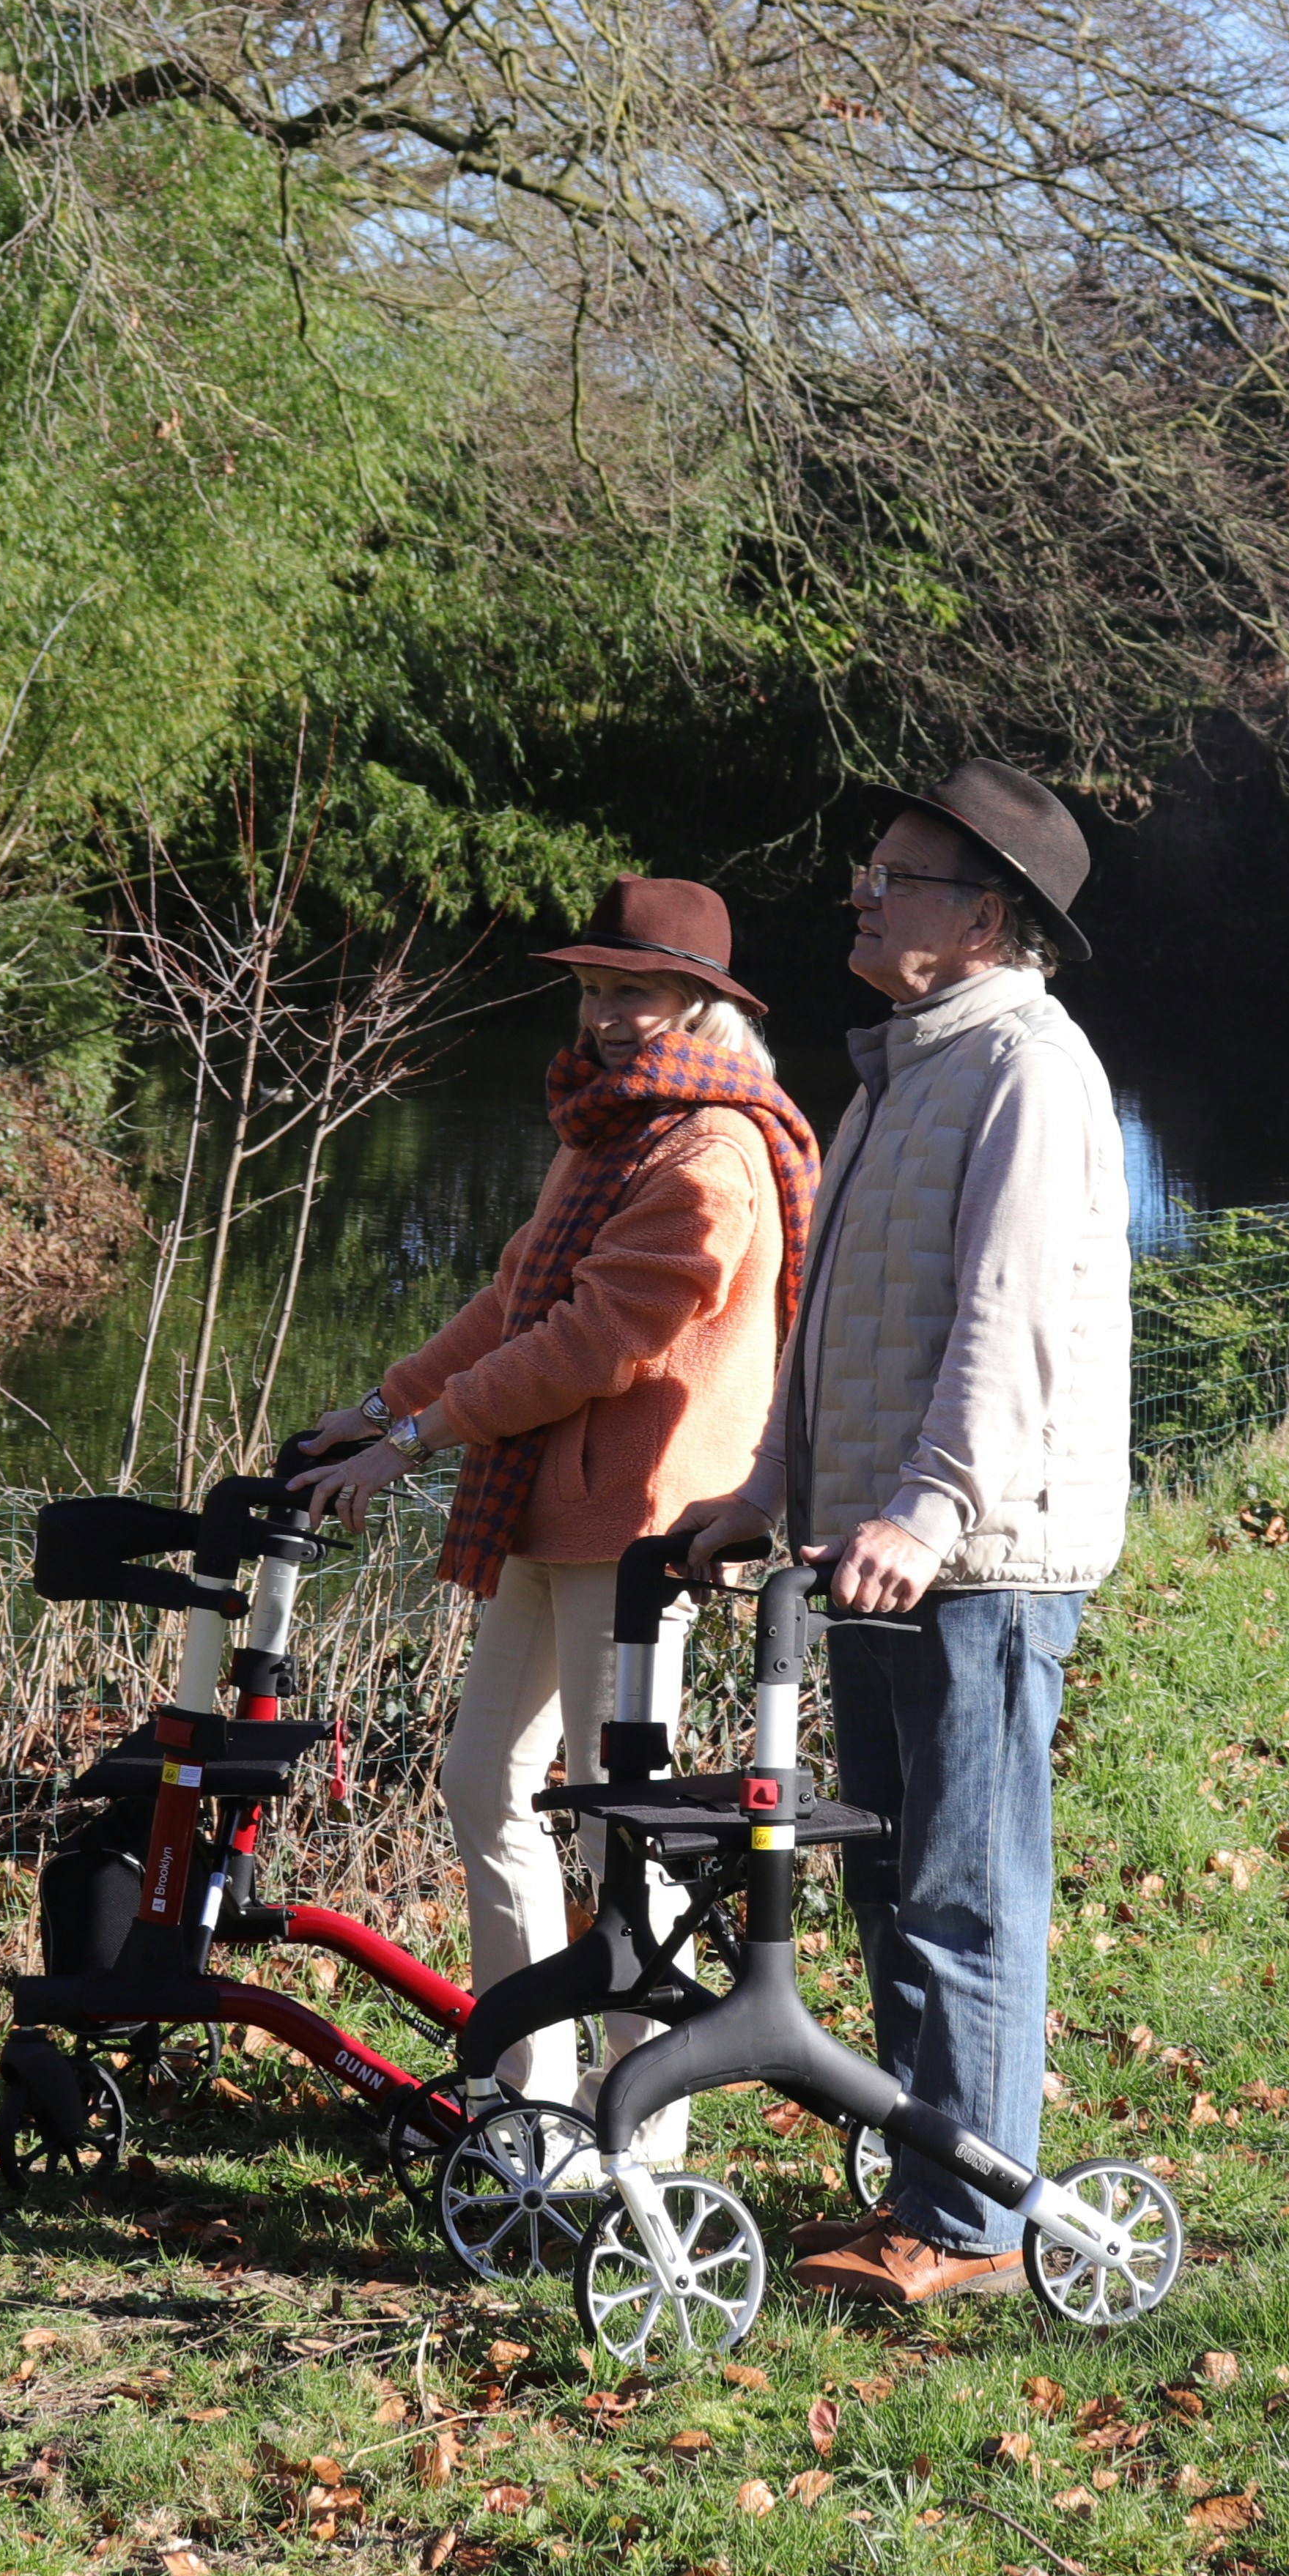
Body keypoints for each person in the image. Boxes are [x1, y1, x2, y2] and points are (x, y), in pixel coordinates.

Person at [675, 758, 1131, 2306]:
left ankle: (972, 2224)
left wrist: (932, 1509)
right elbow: (836, 1324)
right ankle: (934, 2170)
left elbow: (1010, 1324)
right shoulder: (899, 1068)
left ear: (988, 915)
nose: (863, 896)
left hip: (977, 1558)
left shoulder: (1028, 1069)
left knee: (963, 1881)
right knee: (885, 1878)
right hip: (874, 1545)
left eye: (897, 878)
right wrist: (769, 1494)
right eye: (868, 872)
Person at [289, 878, 819, 2146]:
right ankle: (526, 2095)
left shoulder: (712, 1150)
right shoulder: (609, 1132)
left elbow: (596, 1344)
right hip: (543, 1510)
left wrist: (414, 1442)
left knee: (616, 1827)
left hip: (640, 1536)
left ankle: (645, 2118)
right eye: (593, 988)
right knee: (486, 1783)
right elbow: (518, 1298)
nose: (608, 1014)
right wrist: (378, 1407)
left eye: (634, 990)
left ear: (700, 1000)